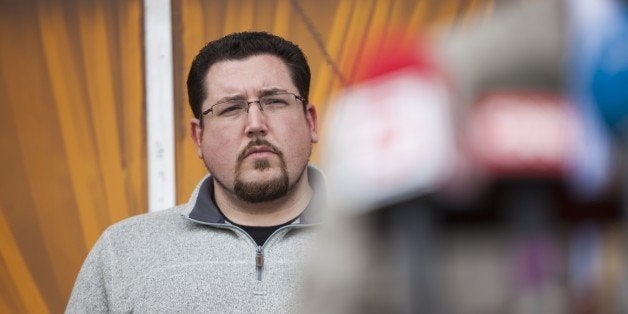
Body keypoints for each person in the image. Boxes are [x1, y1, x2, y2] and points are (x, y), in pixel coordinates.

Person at [66, 31, 323, 313]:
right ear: (198, 136)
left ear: (310, 121)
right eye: (230, 109)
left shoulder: (375, 245)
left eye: (275, 101)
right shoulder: (122, 252)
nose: (255, 123)